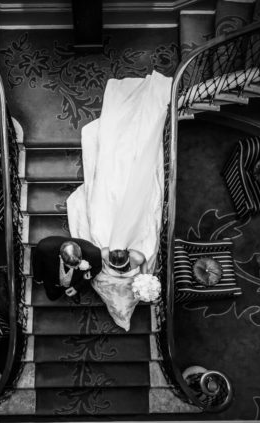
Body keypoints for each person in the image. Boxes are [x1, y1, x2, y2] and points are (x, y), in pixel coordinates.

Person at [66, 70, 172, 329]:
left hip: (109, 220)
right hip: (128, 222)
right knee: (128, 182)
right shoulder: (137, 259)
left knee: (109, 183)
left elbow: (101, 254)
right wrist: (144, 275)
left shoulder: (114, 256)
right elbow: (145, 247)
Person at [32, 236, 102, 303]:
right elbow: (37, 262)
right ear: (61, 257)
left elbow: (97, 268)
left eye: (77, 266)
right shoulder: (44, 247)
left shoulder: (94, 253)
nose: (76, 268)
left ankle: (74, 292)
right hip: (52, 278)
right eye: (72, 266)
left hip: (75, 280)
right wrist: (38, 278)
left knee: (75, 286)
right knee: (52, 296)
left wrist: (76, 287)